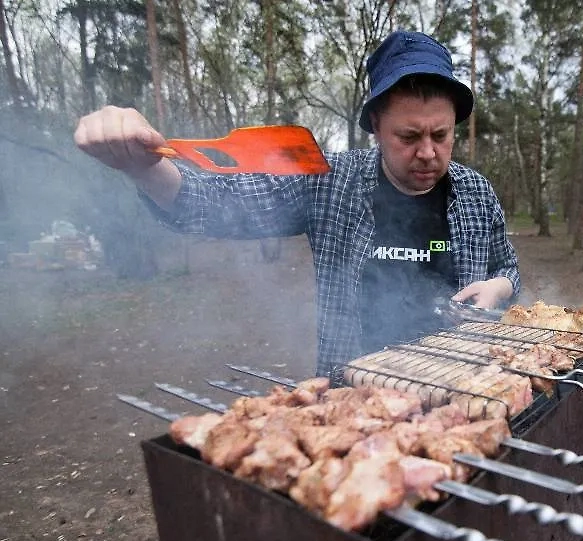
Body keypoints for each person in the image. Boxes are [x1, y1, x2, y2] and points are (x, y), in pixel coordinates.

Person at [74, 31, 520, 378]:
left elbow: (507, 271)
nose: (427, 152)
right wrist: (143, 166)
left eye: (440, 135)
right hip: (353, 395)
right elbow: (212, 202)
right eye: (408, 136)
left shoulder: (476, 194)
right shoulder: (328, 180)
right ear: (377, 128)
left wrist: (499, 288)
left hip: (461, 385)